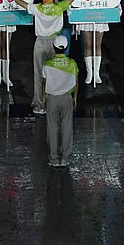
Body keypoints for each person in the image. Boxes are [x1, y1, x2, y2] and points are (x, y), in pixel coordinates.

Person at [16, 0, 79, 114]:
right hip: (55, 43)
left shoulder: (37, 8)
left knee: (39, 74)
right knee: (54, 73)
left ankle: (39, 103)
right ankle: (51, 102)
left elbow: (18, 1)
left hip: (40, 43)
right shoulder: (59, 6)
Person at [76, 0, 115, 84]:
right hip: (86, 16)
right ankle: (89, 73)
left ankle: (97, 73)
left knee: (97, 45)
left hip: (100, 16)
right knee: (88, 45)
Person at [42, 34, 78, 168]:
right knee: (67, 127)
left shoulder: (47, 64)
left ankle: (53, 158)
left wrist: (44, 98)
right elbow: (76, 81)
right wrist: (74, 97)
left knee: (52, 128)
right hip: (67, 98)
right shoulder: (72, 63)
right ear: (66, 47)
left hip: (52, 98)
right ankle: (65, 158)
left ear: (54, 47)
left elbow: (44, 83)